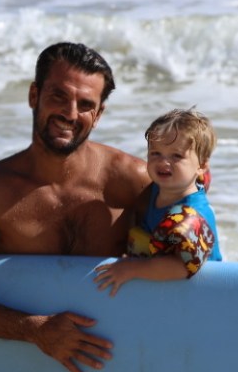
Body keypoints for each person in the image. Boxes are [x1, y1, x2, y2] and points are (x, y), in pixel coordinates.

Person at [0, 42, 149, 372]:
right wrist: (35, 329)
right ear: (34, 95)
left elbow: (192, 251)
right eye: (59, 96)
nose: (71, 114)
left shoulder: (132, 184)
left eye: (86, 104)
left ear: (98, 115)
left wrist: (190, 189)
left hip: (117, 369)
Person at [91, 108, 221, 296]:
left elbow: (181, 267)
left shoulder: (192, 213)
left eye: (176, 156)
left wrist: (130, 269)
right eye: (155, 153)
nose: (163, 162)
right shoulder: (157, 191)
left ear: (201, 166)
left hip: (205, 289)